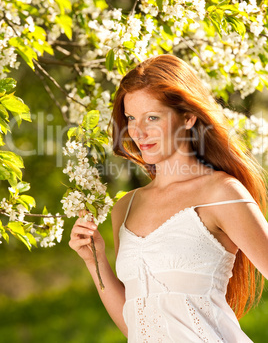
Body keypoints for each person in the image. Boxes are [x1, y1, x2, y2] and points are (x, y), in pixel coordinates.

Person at [69, 54, 268, 342]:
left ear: (187, 117)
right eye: (131, 118)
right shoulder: (125, 207)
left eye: (152, 117)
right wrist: (94, 260)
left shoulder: (222, 192)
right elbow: (136, 324)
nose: (138, 132)